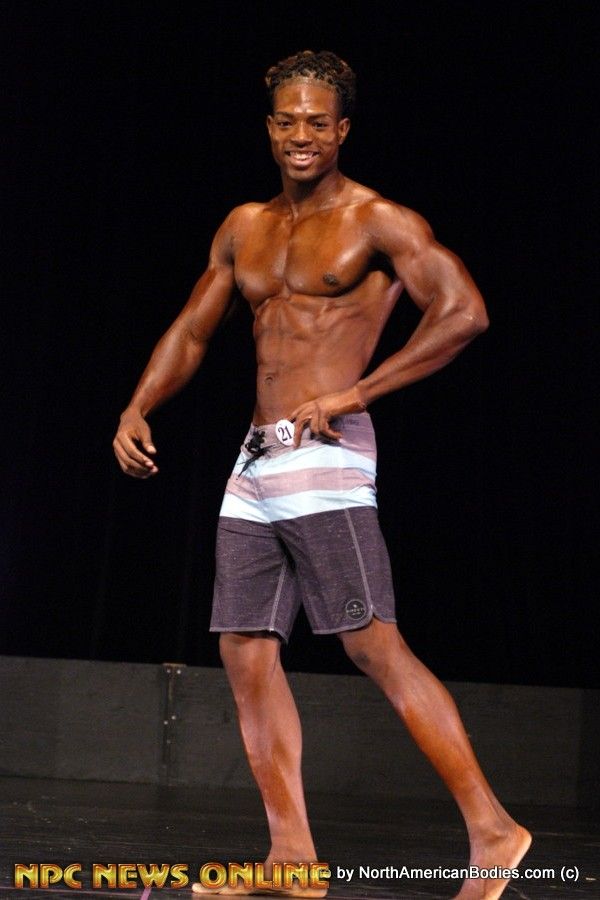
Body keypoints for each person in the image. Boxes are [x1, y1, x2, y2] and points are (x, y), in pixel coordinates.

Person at [113, 50, 530, 900]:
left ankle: (495, 830)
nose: (300, 134)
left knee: (371, 641)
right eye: (286, 120)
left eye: (316, 121)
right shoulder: (245, 226)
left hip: (328, 453)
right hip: (257, 457)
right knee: (244, 649)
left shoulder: (379, 220)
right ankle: (292, 859)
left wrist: (359, 390)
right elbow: (193, 330)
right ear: (269, 128)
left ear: (341, 130)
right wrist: (138, 404)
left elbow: (465, 312)